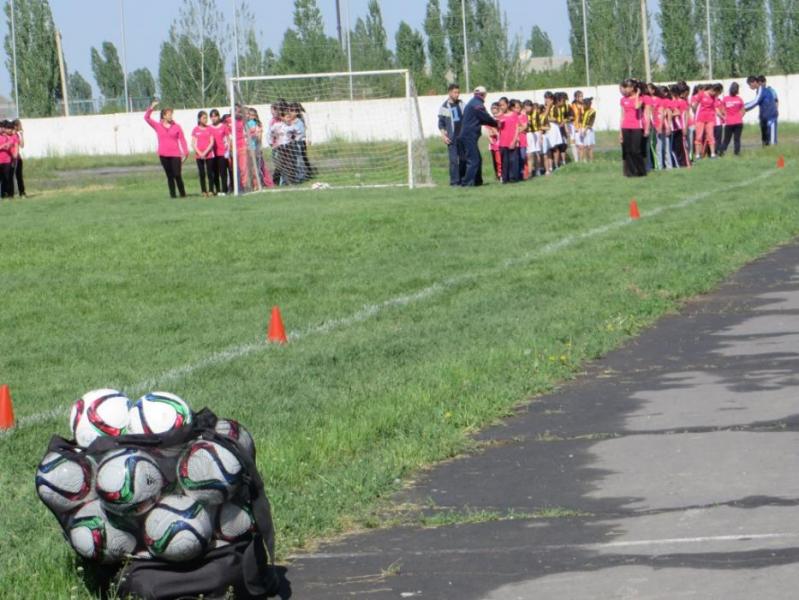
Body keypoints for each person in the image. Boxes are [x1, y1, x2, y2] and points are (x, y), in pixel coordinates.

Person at [144, 100, 189, 198]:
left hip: (175, 155)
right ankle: (173, 195)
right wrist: (151, 107)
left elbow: (182, 140)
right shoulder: (157, 126)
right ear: (164, 116)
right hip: (163, 155)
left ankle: (183, 194)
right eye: (169, 114)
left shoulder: (177, 127)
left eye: (171, 114)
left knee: (177, 174)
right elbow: (146, 118)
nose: (171, 116)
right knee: (169, 176)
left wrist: (186, 152)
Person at [458, 86, 498, 187]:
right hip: (469, 136)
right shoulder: (477, 104)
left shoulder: (472, 102)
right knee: (474, 160)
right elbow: (485, 117)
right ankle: (467, 183)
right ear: (484, 95)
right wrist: (497, 123)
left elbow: (480, 119)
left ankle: (477, 182)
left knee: (477, 159)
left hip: (466, 135)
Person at [438, 83, 465, 186]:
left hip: (462, 137)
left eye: (458, 92)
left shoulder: (462, 104)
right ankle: (454, 182)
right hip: (452, 138)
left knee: (463, 159)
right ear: (449, 92)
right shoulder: (445, 106)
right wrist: (443, 135)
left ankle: (463, 180)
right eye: (455, 92)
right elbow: (441, 123)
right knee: (453, 160)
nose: (457, 94)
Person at [619, 79, 646, 177]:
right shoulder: (623, 100)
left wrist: (637, 94)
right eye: (624, 87)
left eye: (627, 87)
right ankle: (631, 172)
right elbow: (622, 116)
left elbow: (637, 106)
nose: (625, 89)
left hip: (636, 127)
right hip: (625, 127)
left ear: (632, 88)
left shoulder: (641, 98)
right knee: (628, 150)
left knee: (636, 150)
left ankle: (641, 171)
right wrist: (620, 132)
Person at [745, 75, 779, 146]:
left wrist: (742, 107)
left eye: (749, 84)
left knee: (772, 141)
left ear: (754, 82)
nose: (749, 87)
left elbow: (755, 102)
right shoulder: (759, 90)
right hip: (764, 117)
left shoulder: (762, 90)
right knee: (765, 139)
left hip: (771, 117)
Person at [192, 111, 215, 197]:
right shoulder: (195, 129)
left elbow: (211, 142)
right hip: (199, 156)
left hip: (209, 154)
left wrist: (205, 153)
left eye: (206, 118)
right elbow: (193, 144)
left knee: (210, 173)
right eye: (204, 118)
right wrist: (200, 153)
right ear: (199, 119)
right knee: (202, 173)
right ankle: (203, 190)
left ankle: (211, 190)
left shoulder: (210, 129)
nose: (206, 120)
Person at [498, 99, 521, 184]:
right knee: (505, 161)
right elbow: (499, 128)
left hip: (512, 141)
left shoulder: (514, 115)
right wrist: (499, 121)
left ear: (507, 104)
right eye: (500, 105)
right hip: (503, 142)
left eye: (503, 105)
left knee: (513, 161)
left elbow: (517, 128)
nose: (501, 107)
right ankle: (505, 178)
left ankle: (513, 178)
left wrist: (514, 141)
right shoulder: (500, 116)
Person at [719, 82, 745, 156]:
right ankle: (737, 153)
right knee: (737, 139)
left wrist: (726, 116)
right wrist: (739, 117)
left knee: (726, 139)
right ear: (737, 90)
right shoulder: (739, 99)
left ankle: (721, 153)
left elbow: (722, 110)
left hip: (729, 122)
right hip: (738, 122)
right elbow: (743, 111)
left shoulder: (725, 99)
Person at [208, 109, 229, 195]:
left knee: (223, 172)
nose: (213, 118)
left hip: (222, 153)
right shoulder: (209, 128)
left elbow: (228, 139)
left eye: (215, 116)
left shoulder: (223, 126)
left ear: (218, 117)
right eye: (212, 116)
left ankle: (224, 190)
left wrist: (228, 150)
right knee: (215, 172)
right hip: (212, 154)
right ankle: (218, 190)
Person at [0, 121, 15, 198]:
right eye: (1, 127)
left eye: (3, 128)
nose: (2, 129)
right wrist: (2, 146)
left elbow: (12, 144)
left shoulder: (7, 137)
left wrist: (9, 145)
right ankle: (2, 194)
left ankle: (9, 194)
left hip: (7, 160)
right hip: (0, 161)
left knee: (8, 178)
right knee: (2, 178)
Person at [579, 98, 596, 162]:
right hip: (582, 129)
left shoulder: (592, 111)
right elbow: (580, 120)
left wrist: (585, 130)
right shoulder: (583, 110)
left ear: (588, 104)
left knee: (589, 147)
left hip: (588, 130)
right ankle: (585, 160)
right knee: (584, 146)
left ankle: (591, 160)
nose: (583, 106)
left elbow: (591, 122)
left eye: (584, 104)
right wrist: (581, 129)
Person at [12, 119, 25, 197]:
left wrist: (22, 135)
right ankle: (10, 193)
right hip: (12, 158)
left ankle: (22, 192)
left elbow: (22, 145)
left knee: (19, 176)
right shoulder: (11, 135)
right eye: (19, 125)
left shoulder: (17, 135)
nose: (21, 127)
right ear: (15, 126)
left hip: (18, 158)